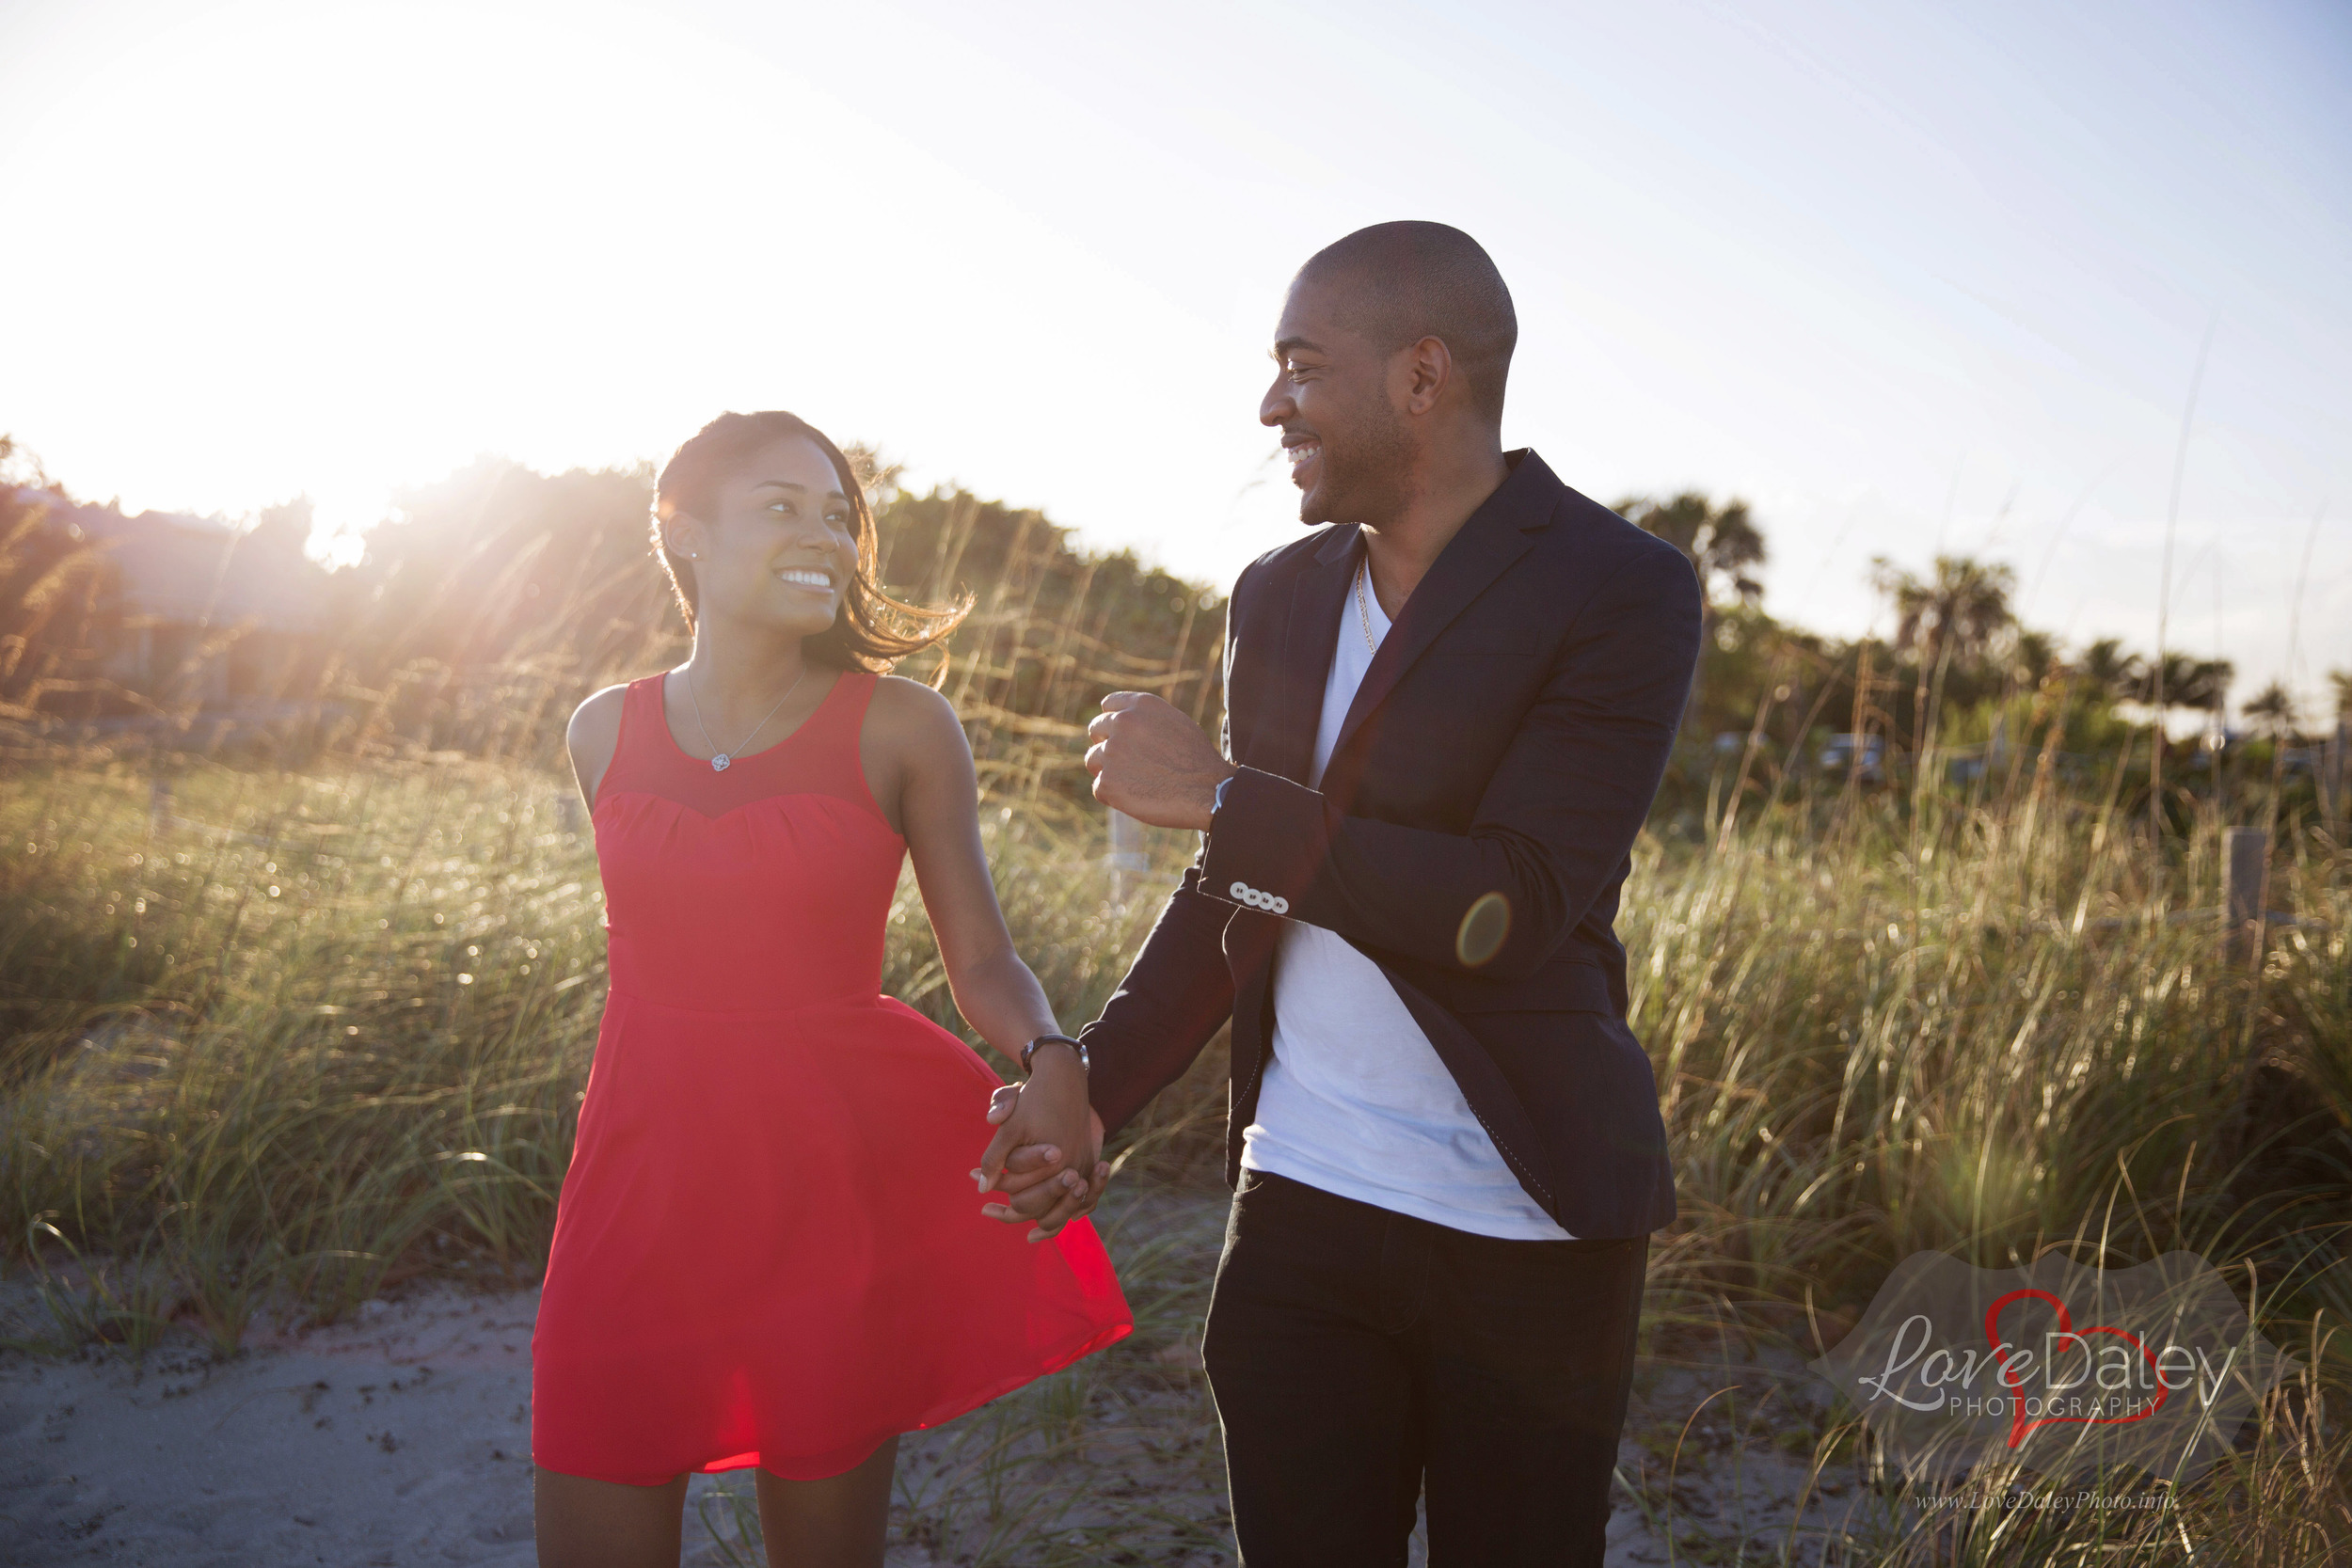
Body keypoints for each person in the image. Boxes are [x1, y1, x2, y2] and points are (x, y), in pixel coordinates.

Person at [979, 222, 1702, 1565]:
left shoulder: (1622, 589)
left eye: (1303, 366)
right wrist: (1092, 1079)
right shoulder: (1279, 592)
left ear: (1423, 377)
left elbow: (1517, 899)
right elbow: (1238, 892)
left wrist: (1220, 796)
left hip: (1526, 1227)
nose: (1271, 406)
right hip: (1300, 1205)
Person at [532, 410, 1131, 1568]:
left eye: (837, 514)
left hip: (820, 1194)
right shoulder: (602, 729)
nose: (825, 535)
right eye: (780, 506)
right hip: (632, 1194)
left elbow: (982, 960)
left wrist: (1053, 1057)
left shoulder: (904, 725)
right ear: (686, 531)